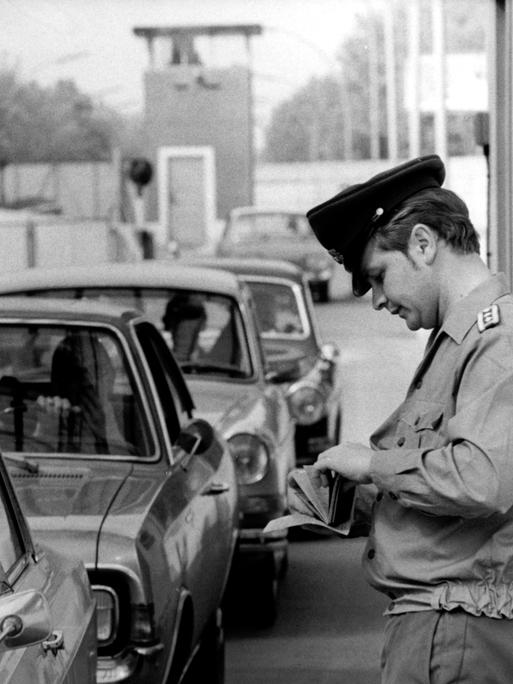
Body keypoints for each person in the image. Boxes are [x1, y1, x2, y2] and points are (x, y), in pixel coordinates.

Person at [302, 154, 513, 683]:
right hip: (443, 624)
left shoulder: (496, 338)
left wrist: (374, 465)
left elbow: (483, 480)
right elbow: (445, 494)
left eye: (378, 276)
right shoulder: (458, 342)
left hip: (457, 629)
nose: (376, 301)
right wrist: (341, 499)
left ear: (423, 244)